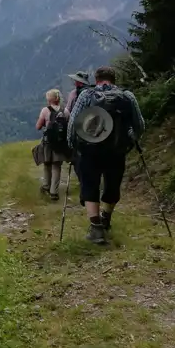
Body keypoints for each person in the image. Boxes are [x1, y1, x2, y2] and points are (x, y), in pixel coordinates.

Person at [68, 66, 145, 244]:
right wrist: (130, 141)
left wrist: (72, 145)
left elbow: (73, 123)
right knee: (112, 185)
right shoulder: (127, 96)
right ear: (114, 79)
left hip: (89, 150)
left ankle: (96, 230)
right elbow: (139, 124)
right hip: (117, 150)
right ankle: (106, 218)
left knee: (89, 185)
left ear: (97, 79)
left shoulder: (86, 95)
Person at [35, 89, 69, 201]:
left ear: (49, 99)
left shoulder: (45, 110)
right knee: (56, 166)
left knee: (47, 164)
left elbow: (38, 126)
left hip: (48, 142)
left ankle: (46, 186)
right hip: (60, 143)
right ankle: (54, 192)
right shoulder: (66, 111)